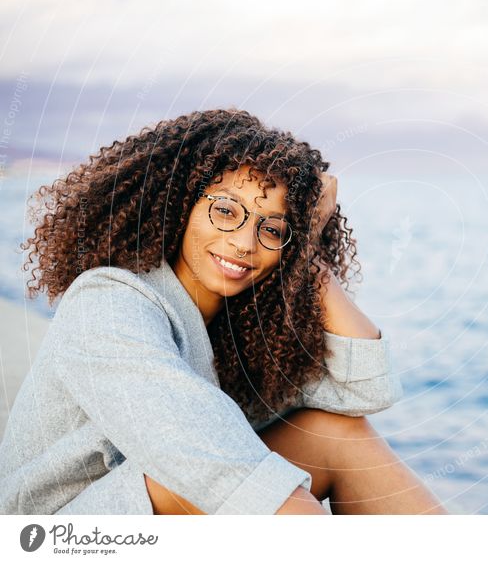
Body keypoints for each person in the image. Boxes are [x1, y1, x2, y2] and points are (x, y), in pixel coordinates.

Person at [0, 109, 447, 515]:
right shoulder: (109, 301)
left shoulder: (236, 331)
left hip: (145, 515)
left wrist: (306, 245)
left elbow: (366, 391)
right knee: (217, 469)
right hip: (58, 536)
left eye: (271, 228)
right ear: (180, 205)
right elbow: (198, 459)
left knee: (335, 437)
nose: (245, 243)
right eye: (226, 211)